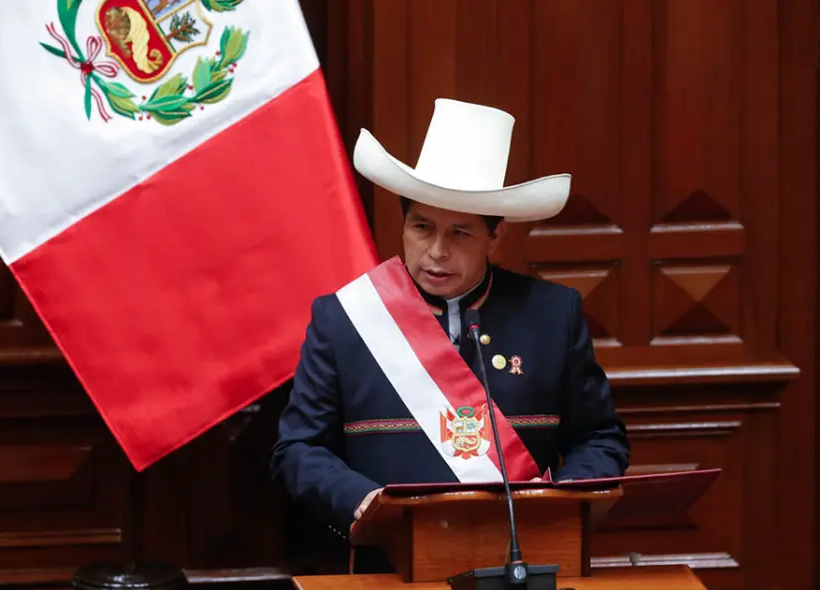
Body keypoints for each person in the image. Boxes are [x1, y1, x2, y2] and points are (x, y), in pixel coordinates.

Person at [268, 98, 629, 569]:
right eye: (422, 227)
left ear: (495, 235)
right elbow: (297, 450)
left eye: (460, 234)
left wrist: (557, 502)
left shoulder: (552, 314)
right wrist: (364, 502)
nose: (436, 252)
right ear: (403, 225)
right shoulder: (345, 319)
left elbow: (600, 438)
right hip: (391, 569)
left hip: (523, 563)